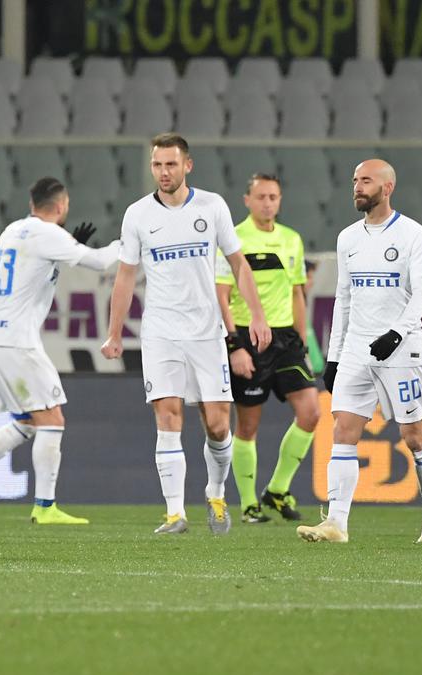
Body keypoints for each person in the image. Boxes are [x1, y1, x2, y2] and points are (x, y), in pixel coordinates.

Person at [101, 132, 272, 535]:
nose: (163, 172)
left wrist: (258, 316)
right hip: (160, 331)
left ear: (187, 165)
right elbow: (125, 277)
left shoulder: (212, 206)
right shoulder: (137, 214)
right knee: (168, 415)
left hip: (205, 331)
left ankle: (215, 493)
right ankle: (175, 512)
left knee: (216, 424)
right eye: (158, 165)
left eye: (171, 164)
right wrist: (114, 333)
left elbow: (239, 263)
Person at [0, 177, 118, 525]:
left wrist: (65, 248)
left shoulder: (12, 231)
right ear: (62, 205)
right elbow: (100, 262)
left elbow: (32, 268)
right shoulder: (49, 235)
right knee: (52, 419)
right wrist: (130, 242)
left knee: (26, 422)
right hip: (18, 341)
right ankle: (45, 506)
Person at [298, 159, 422, 544]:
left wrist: (396, 334)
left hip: (402, 353)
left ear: (387, 187)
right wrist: (333, 356)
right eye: (354, 181)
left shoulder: (413, 234)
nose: (357, 187)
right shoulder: (348, 237)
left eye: (366, 181)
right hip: (357, 352)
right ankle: (336, 524)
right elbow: (343, 300)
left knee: (414, 437)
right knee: (343, 431)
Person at [215, 174, 319, 524]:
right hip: (248, 338)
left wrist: (302, 341)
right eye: (261, 197)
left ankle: (276, 489)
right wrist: (235, 346)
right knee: (248, 426)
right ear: (247, 200)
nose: (268, 203)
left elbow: (297, 292)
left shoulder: (292, 240)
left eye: (273, 196)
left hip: (285, 338)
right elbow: (222, 296)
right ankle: (248, 503)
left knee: (311, 412)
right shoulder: (234, 239)